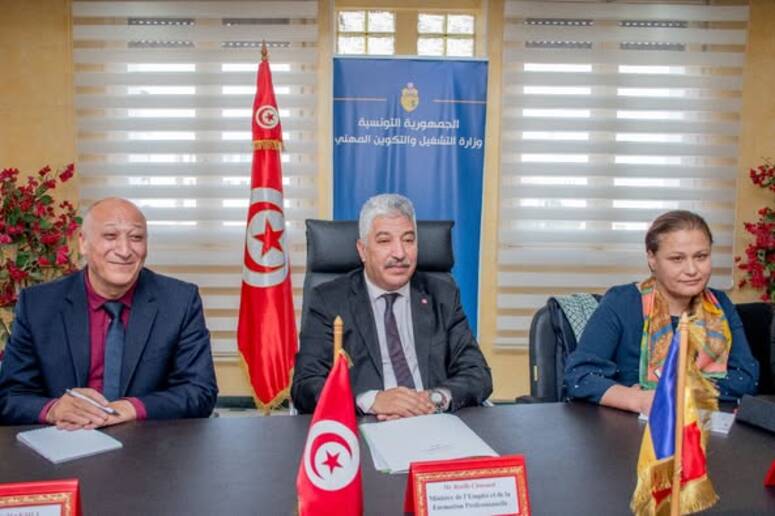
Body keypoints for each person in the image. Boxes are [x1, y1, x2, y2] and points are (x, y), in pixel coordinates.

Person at [0, 197, 218, 427]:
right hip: (65, 437)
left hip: (147, 439)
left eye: (136, 238)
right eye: (110, 236)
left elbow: (200, 392)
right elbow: (9, 397)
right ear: (83, 243)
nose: (124, 251)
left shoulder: (180, 301)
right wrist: (53, 410)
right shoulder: (38, 304)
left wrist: (131, 408)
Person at [292, 193, 492, 418]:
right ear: (363, 250)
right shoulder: (329, 300)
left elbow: (477, 373)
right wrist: (371, 401)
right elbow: (305, 385)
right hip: (366, 424)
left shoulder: (442, 295)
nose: (399, 253)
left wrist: (435, 399)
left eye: (408, 240)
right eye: (384, 241)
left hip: (433, 419)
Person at [564, 210, 759, 414]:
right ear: (652, 258)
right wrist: (638, 400)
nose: (692, 270)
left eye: (701, 257)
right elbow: (580, 376)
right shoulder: (621, 302)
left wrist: (674, 393)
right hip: (630, 425)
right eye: (677, 259)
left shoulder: (720, 304)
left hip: (702, 424)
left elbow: (745, 378)